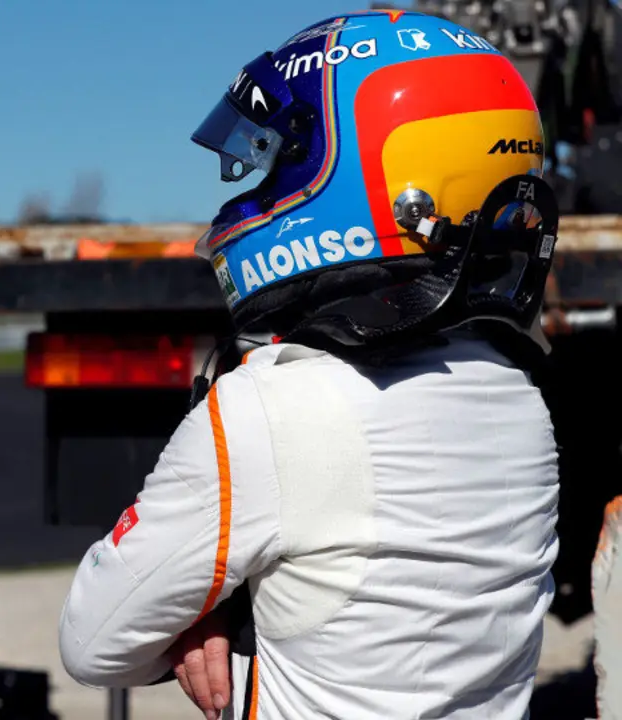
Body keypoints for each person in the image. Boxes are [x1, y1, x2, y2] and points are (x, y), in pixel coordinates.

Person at [58, 9, 561, 720]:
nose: (255, 197)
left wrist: (216, 618)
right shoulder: (521, 401)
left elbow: (92, 640)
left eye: (281, 166)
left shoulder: (268, 412)